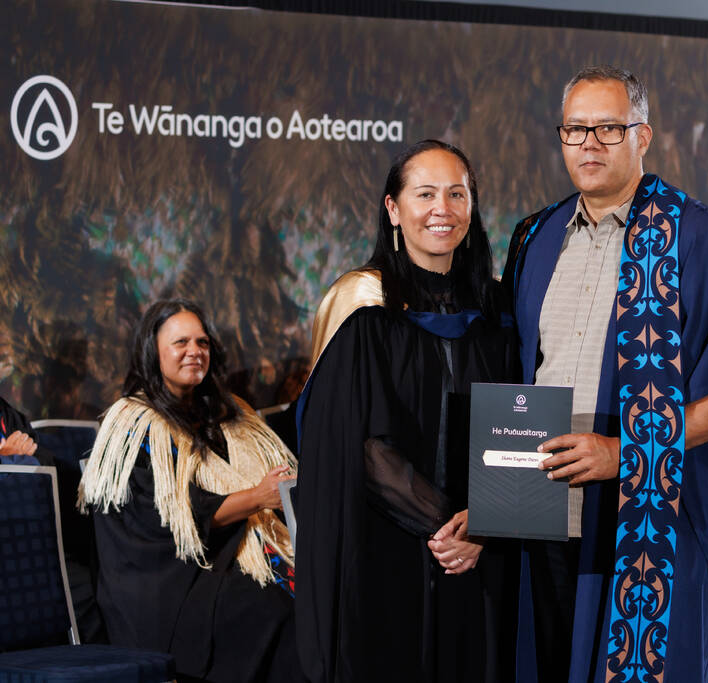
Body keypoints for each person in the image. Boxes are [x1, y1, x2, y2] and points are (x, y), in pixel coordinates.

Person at [502, 65, 708, 683]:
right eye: (575, 129)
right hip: (539, 507)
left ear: (644, 136)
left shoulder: (701, 238)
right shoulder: (534, 237)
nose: (589, 144)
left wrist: (625, 451)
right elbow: (513, 374)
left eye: (609, 128)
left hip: (651, 505)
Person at [295, 140, 519, 683]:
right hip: (390, 543)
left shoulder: (496, 311)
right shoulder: (365, 305)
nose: (442, 208)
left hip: (483, 550)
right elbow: (357, 443)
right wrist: (450, 527)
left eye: (456, 194)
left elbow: (520, 424)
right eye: (425, 194)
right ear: (393, 209)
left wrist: (484, 528)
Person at [78, 299, 298, 682]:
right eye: (181, 342)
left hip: (232, 561)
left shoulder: (228, 415)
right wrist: (258, 498)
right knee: (273, 610)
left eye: (203, 342)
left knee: (322, 595)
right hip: (170, 585)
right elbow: (167, 521)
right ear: (153, 350)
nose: (195, 351)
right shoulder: (133, 426)